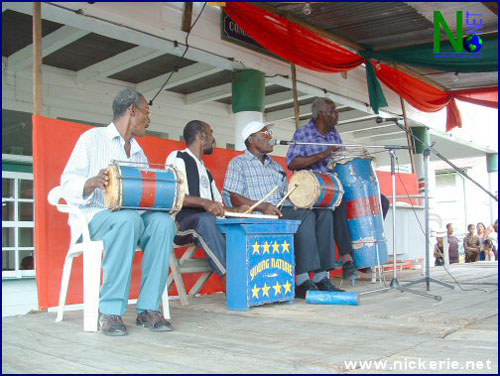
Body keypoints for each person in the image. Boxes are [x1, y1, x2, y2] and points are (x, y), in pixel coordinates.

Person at [61, 88, 176, 336]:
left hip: (130, 219)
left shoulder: (138, 152)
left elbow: (141, 197)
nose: (149, 118)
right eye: (146, 111)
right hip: (94, 219)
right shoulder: (92, 139)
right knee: (127, 220)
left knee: (163, 223)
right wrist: (92, 182)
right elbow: (67, 182)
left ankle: (148, 309)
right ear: (132, 110)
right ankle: (110, 311)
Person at [223, 121, 344, 298]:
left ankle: (321, 276)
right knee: (304, 217)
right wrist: (264, 206)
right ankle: (301, 280)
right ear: (251, 140)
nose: (270, 137)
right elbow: (234, 196)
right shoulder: (238, 163)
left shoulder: (276, 167)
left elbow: (288, 195)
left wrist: (304, 194)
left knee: (324, 213)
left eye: (269, 133)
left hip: (282, 210)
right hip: (259, 214)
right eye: (264, 134)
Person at [286, 97, 390, 279]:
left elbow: (340, 160)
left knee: (380, 201)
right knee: (339, 204)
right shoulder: (303, 133)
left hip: (337, 183)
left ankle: (365, 251)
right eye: (332, 111)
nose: (337, 115)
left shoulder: (334, 134)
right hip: (316, 188)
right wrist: (323, 154)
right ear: (320, 115)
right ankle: (348, 259)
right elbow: (292, 162)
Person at [166, 120, 247, 290]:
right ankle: (231, 282)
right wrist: (204, 202)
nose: (213, 138)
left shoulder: (206, 172)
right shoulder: (178, 157)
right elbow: (171, 194)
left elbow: (217, 207)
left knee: (234, 225)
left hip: (204, 223)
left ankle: (245, 274)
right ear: (202, 136)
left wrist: (237, 210)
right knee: (207, 220)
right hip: (180, 225)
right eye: (211, 133)